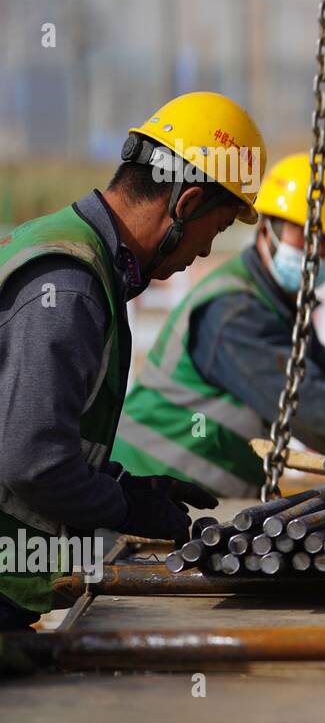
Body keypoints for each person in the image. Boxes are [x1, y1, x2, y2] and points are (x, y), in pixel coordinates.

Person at [0, 91, 265, 630]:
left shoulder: (76, 256)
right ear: (186, 203)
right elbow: (33, 463)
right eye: (213, 231)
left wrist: (124, 484)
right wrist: (124, 509)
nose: (206, 253)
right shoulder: (70, 285)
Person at [111, 153, 325, 498]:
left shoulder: (274, 302)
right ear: (269, 228)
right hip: (146, 492)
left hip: (193, 499)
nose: (316, 250)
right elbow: (306, 404)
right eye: (306, 234)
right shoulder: (235, 311)